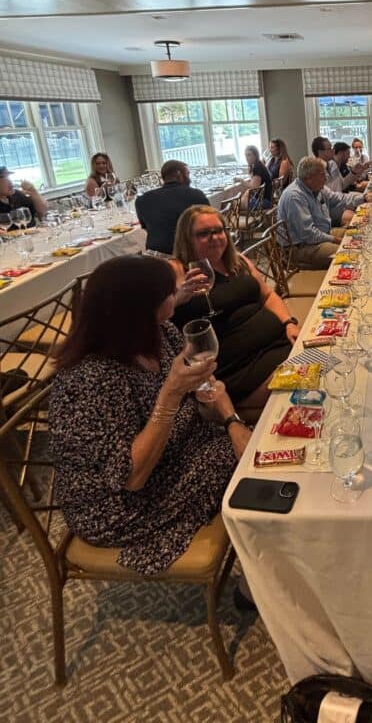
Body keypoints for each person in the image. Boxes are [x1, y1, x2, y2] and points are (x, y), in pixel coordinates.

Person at [49, 255, 251, 576]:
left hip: (177, 454)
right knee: (247, 473)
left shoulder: (162, 332)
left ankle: (265, 555)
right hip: (120, 507)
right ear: (137, 311)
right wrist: (170, 394)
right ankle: (259, 576)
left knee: (253, 449)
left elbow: (207, 383)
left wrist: (232, 422)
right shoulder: (91, 379)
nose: (179, 294)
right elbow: (131, 478)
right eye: (170, 292)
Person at [171, 205, 297, 407]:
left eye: (219, 230)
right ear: (187, 238)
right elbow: (154, 317)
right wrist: (179, 297)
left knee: (330, 356)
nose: (214, 237)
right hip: (240, 370)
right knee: (311, 384)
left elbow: (268, 295)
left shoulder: (238, 261)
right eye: (203, 233)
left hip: (279, 344)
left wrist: (288, 322)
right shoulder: (177, 269)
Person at [276, 156, 342, 269]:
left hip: (318, 236)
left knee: (355, 237)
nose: (326, 178)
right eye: (322, 174)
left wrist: (363, 198)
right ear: (309, 178)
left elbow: (339, 199)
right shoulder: (295, 196)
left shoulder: (315, 188)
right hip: (300, 248)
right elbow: (308, 234)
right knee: (348, 254)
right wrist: (335, 239)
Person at [135, 160, 209, 255]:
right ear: (179, 174)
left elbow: (146, 228)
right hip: (190, 252)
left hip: (157, 256)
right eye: (187, 173)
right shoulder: (196, 194)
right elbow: (207, 223)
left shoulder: (142, 200)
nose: (189, 178)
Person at [242, 145, 273, 209]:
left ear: (255, 155)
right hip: (267, 199)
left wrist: (242, 181)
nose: (246, 158)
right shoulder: (258, 164)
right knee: (239, 202)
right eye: (245, 155)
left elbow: (254, 188)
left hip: (265, 201)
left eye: (249, 155)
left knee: (235, 204)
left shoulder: (257, 167)